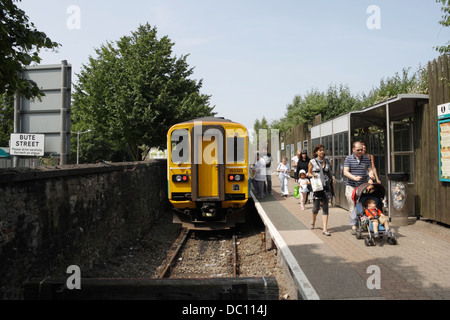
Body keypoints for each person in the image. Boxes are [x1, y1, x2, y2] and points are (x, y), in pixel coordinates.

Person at [343, 141, 376, 234]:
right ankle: (354, 226)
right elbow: (345, 172)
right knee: (353, 206)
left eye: (361, 150)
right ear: (353, 150)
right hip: (351, 186)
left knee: (362, 205)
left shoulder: (366, 159)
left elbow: (370, 170)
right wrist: (354, 178)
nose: (360, 151)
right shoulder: (348, 159)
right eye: (358, 150)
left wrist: (371, 177)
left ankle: (363, 224)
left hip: (362, 186)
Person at [307, 144, 333, 236]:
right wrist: (314, 175)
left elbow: (329, 172)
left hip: (326, 186)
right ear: (316, 152)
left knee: (325, 208)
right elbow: (308, 173)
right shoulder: (312, 162)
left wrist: (332, 180)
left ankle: (325, 229)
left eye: (323, 150)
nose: (322, 152)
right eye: (320, 150)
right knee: (316, 208)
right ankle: (313, 221)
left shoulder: (327, 161)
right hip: (317, 187)